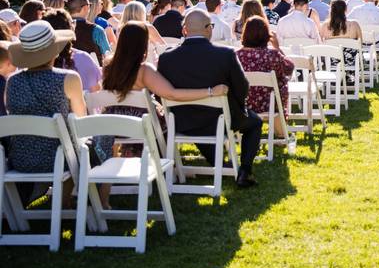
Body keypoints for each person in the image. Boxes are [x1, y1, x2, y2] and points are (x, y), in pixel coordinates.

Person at [157, 11, 261, 188]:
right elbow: (242, 88)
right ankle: (245, 170)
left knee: (200, 120)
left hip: (182, 121)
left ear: (185, 30)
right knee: (255, 122)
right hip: (218, 119)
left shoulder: (166, 58)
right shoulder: (225, 54)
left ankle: (220, 163)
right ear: (207, 29)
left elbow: (161, 94)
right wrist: (237, 105)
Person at [98, 22, 228, 161]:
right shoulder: (144, 70)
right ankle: (166, 161)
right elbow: (172, 94)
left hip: (113, 123)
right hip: (142, 124)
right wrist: (210, 91)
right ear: (142, 43)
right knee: (178, 117)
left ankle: (136, 154)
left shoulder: (108, 66)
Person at [5, 21, 87, 174]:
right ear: (54, 51)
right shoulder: (69, 78)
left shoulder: (12, 82)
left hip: (20, 160)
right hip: (61, 158)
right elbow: (81, 120)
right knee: (101, 138)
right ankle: (71, 196)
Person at [237, 16, 294, 137]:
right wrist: (277, 48)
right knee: (281, 85)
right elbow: (289, 68)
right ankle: (280, 132)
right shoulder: (272, 54)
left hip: (242, 104)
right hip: (270, 103)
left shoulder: (235, 56)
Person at [43, 9, 102, 92]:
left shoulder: (38, 61)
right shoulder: (83, 58)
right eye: (72, 22)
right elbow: (95, 91)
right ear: (70, 29)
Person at [319, 0, 364, 85]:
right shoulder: (354, 24)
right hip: (351, 61)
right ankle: (349, 77)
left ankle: (335, 80)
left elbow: (321, 45)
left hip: (331, 61)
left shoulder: (324, 26)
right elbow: (360, 44)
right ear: (346, 9)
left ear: (331, 10)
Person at [67, 0, 110, 64]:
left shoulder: (61, 27)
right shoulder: (97, 30)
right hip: (92, 72)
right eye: (89, 5)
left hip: (66, 70)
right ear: (85, 8)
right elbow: (107, 56)